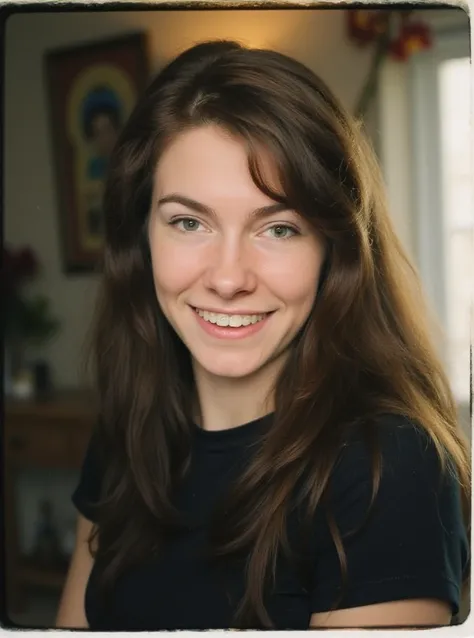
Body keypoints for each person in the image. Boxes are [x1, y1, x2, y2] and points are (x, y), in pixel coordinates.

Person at [56, 40, 470, 631]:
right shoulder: (129, 426)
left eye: (278, 228)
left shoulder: (389, 467)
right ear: (139, 239)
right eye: (188, 222)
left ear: (336, 250)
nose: (228, 278)